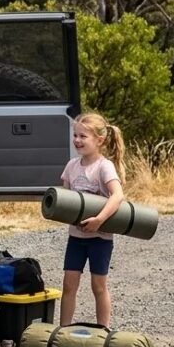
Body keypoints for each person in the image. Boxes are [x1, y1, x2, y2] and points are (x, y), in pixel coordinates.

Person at [58, 112, 126, 329]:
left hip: (100, 238)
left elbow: (117, 196)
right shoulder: (71, 166)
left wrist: (99, 219)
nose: (77, 140)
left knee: (98, 286)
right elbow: (67, 200)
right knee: (69, 285)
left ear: (100, 140)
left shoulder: (104, 167)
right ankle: (63, 330)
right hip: (76, 238)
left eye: (83, 136)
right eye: (75, 135)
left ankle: (103, 331)